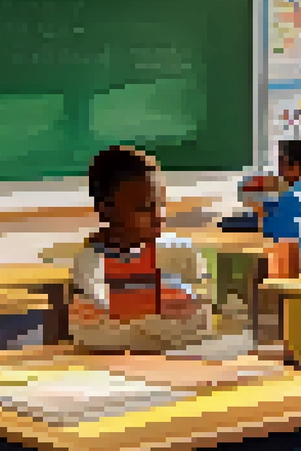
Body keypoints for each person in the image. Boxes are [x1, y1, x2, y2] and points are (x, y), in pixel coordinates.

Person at [69, 146, 211, 352]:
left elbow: (199, 326)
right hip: (112, 374)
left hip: (176, 368)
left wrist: (138, 331)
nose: (159, 215)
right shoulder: (92, 263)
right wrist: (158, 330)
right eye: (145, 208)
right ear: (106, 210)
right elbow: (91, 336)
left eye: (161, 204)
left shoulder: (179, 253)